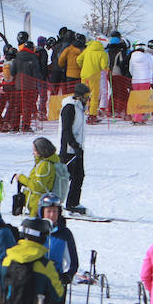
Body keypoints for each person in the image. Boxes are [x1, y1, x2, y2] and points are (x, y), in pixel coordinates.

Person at [38, 193, 79, 304]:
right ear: (42, 212)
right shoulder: (35, 229)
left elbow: (72, 262)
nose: (51, 215)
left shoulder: (64, 233)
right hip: (36, 283)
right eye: (48, 211)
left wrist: (66, 276)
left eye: (54, 211)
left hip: (55, 285)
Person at [58, 83, 90, 213]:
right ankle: (52, 203)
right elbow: (66, 130)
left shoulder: (80, 108)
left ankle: (73, 203)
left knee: (79, 176)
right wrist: (74, 145)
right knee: (64, 179)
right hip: (68, 150)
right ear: (79, 96)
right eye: (86, 96)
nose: (88, 99)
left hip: (78, 148)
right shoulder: (69, 108)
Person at [15, 137, 63, 219]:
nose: (33, 153)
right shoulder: (43, 163)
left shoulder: (45, 165)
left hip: (37, 204)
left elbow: (38, 186)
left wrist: (21, 178)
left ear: (41, 150)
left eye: (34, 150)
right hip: (36, 203)